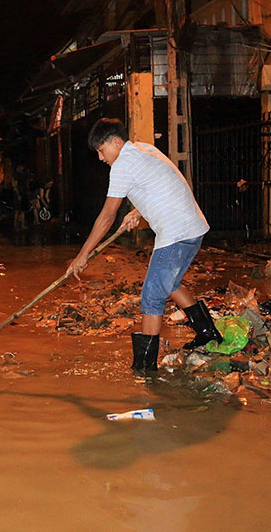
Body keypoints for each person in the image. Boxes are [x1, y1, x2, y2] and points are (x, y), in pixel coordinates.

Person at [66, 118, 222, 376]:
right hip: (193, 228)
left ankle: (145, 369)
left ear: (116, 142)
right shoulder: (144, 149)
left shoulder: (122, 165)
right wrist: (138, 210)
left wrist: (82, 255)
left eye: (101, 150)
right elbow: (164, 181)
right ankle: (207, 332)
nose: (100, 158)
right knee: (169, 284)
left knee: (152, 297)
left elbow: (107, 216)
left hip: (176, 235)